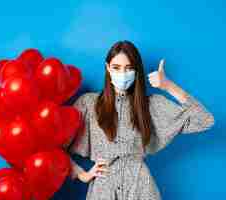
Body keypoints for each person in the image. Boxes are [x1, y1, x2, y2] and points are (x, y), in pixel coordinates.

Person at [64, 40, 215, 200]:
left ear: (136, 71)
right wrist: (81, 174)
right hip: (103, 190)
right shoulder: (88, 104)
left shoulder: (151, 106)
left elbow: (204, 119)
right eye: (116, 67)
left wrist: (168, 86)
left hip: (141, 187)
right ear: (108, 68)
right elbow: (56, 146)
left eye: (128, 68)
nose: (122, 73)